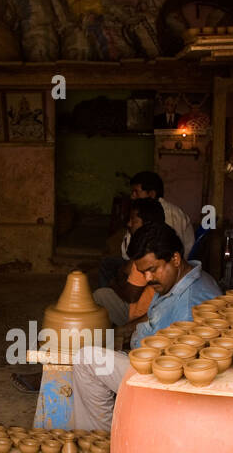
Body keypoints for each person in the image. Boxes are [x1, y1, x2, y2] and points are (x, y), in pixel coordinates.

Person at [71, 221, 222, 431]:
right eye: (143, 272)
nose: (148, 278)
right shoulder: (175, 282)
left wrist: (127, 352)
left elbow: (180, 370)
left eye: (152, 269)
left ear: (175, 259)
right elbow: (152, 317)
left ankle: (102, 441)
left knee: (85, 360)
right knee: (97, 345)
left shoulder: (192, 304)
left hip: (166, 385)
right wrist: (120, 333)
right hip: (147, 358)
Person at [92, 197, 162, 327]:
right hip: (153, 306)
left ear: (146, 223)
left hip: (141, 313)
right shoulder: (161, 238)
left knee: (99, 295)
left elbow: (131, 296)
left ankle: (111, 330)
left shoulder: (146, 249)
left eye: (133, 220)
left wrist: (113, 283)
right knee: (109, 267)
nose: (129, 224)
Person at [125, 171, 194, 261]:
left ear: (151, 194)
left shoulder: (169, 213)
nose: (132, 196)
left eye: (136, 192)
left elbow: (169, 250)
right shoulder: (147, 211)